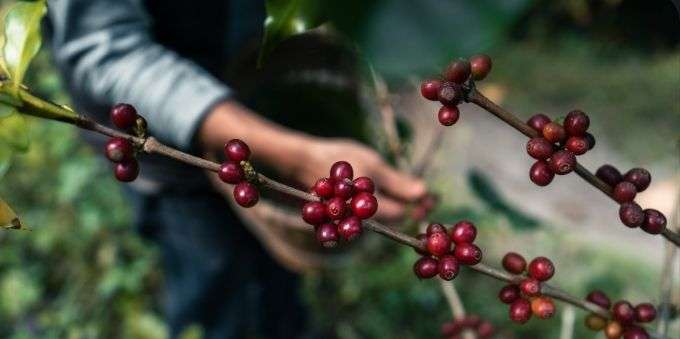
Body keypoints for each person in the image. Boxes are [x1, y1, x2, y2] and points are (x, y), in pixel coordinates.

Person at [45, 1, 426, 338]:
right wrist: (298, 156)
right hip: (167, 154)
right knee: (214, 282)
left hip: (257, 98)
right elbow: (107, 51)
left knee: (280, 286)